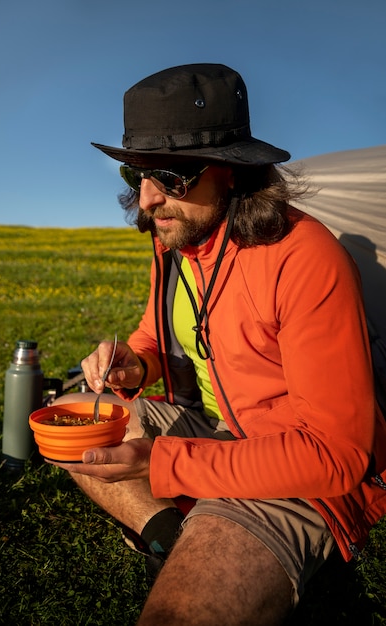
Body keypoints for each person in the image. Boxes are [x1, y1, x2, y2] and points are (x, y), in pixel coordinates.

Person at [50, 64, 386, 625]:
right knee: (69, 416)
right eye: (138, 176)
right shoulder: (177, 242)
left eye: (173, 176)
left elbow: (336, 455)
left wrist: (163, 462)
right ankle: (169, 536)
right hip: (210, 428)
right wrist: (137, 365)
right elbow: (155, 334)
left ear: (233, 173)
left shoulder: (304, 258)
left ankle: (214, 529)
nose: (150, 200)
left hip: (290, 469)